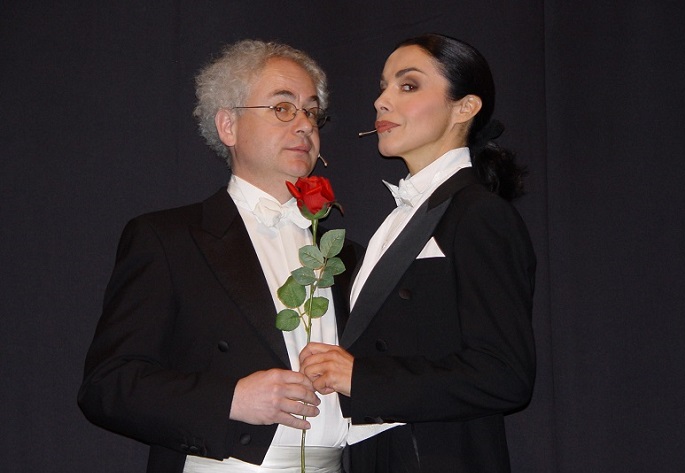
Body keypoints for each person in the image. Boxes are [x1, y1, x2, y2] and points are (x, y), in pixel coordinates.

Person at [78, 39, 358, 473]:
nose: (304, 124)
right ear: (228, 126)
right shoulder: (167, 240)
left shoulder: (349, 255)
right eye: (283, 108)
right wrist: (232, 399)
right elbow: (108, 386)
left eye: (311, 111)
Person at [299, 33, 536, 473]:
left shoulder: (480, 214)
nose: (381, 101)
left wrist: (360, 377)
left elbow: (505, 376)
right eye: (383, 87)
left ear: (465, 107)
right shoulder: (403, 218)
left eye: (408, 85)